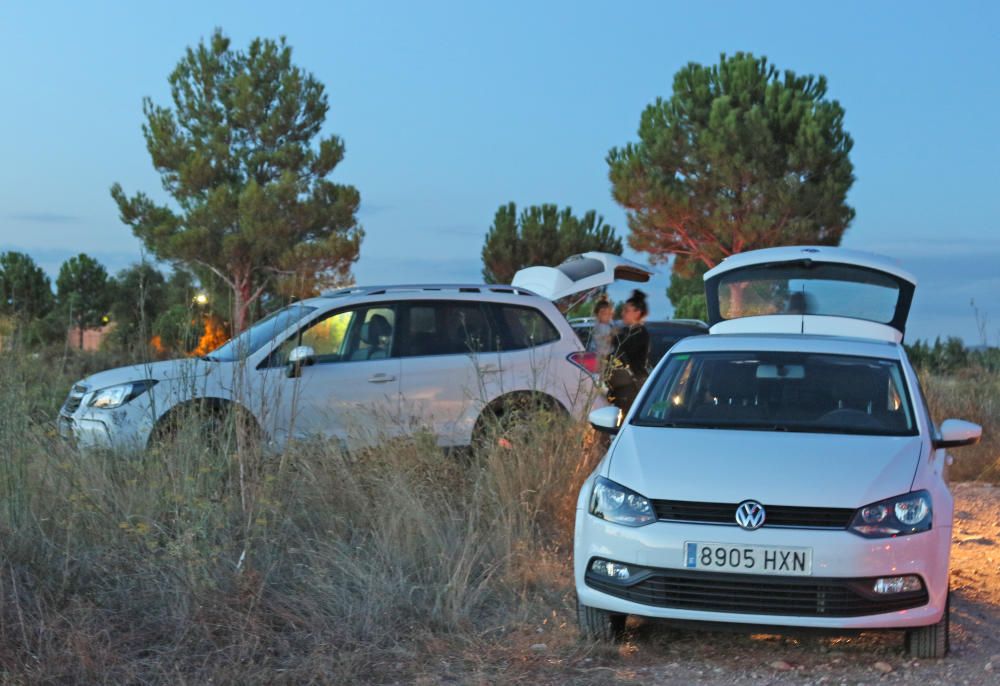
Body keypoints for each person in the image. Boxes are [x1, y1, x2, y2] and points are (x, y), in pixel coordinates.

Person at [606, 289, 650, 412]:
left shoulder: (639, 333)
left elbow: (625, 351)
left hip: (632, 384)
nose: (623, 313)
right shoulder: (626, 331)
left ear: (637, 313)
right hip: (622, 383)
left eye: (626, 310)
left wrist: (614, 337)